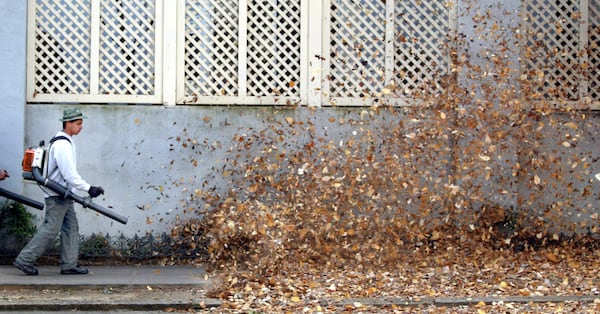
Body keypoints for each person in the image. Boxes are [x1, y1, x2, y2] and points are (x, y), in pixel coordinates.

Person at [14, 108, 104, 276]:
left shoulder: (65, 141)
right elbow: (69, 174)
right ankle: (24, 260)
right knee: (50, 229)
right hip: (57, 195)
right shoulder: (62, 144)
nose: (81, 127)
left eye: (81, 123)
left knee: (71, 227)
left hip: (63, 194)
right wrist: (89, 187)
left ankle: (69, 265)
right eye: (78, 123)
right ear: (67, 123)